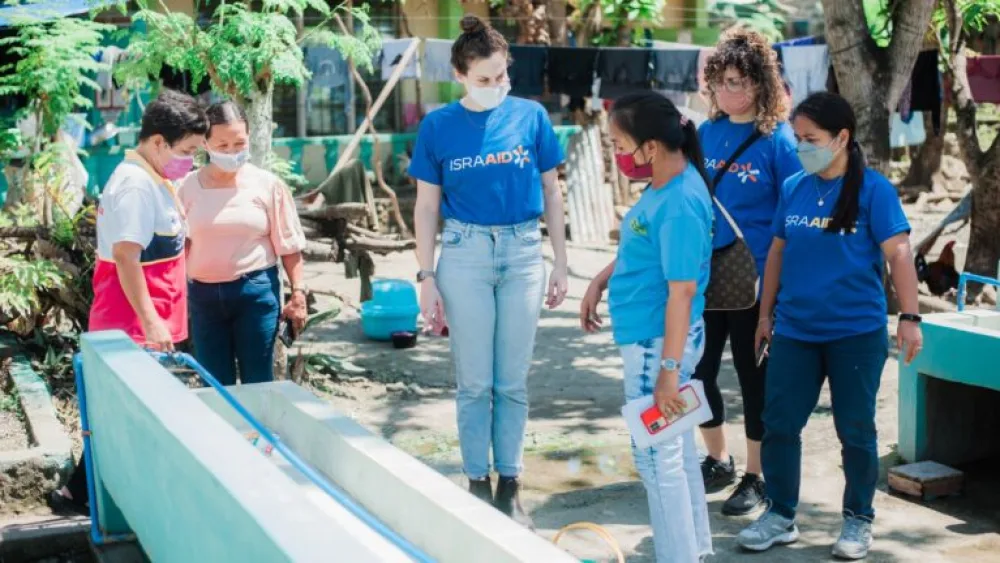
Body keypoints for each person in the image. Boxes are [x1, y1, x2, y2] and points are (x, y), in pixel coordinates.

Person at [737, 92, 923, 560]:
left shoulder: (874, 190)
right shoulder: (796, 186)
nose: (802, 147)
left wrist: (910, 316)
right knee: (779, 424)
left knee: (855, 430)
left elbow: (898, 253)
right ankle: (780, 514)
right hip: (796, 330)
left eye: (811, 139)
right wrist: (765, 314)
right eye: (797, 138)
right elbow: (778, 250)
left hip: (854, 334)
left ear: (842, 138)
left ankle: (858, 520)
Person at [409, 15, 568, 527]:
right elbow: (426, 207)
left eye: (502, 76)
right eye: (483, 79)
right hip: (464, 255)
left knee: (513, 382)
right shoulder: (437, 126)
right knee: (475, 382)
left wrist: (561, 263)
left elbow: (552, 191)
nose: (496, 87)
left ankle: (511, 484)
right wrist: (425, 276)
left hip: (524, 254)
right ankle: (477, 481)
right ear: (459, 75)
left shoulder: (532, 117)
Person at [49, 90, 210, 515]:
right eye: (187, 151)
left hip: (151, 316)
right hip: (133, 322)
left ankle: (80, 494)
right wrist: (152, 321)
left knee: (125, 410)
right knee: (126, 413)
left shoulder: (155, 178)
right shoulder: (136, 186)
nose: (190, 161)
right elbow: (125, 256)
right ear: (158, 142)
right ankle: (93, 496)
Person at [580, 92, 714, 563]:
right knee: (672, 453)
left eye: (620, 143)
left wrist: (668, 372)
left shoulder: (679, 201)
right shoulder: (666, 187)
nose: (618, 154)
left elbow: (681, 292)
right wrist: (602, 278)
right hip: (657, 340)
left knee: (657, 460)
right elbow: (647, 250)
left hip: (657, 345)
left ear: (650, 146)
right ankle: (693, 550)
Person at [693, 27, 802, 516]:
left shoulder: (779, 140)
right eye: (723, 82)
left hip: (757, 280)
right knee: (696, 371)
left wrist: (783, 289)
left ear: (762, 84)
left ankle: (756, 476)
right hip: (701, 277)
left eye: (741, 82)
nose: (731, 92)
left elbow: (794, 212)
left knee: (751, 376)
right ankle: (718, 458)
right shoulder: (703, 134)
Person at [178, 101, 308, 386]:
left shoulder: (268, 185)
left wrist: (298, 294)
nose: (232, 152)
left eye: (239, 143)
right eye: (222, 145)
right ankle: (224, 432)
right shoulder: (186, 187)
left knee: (258, 380)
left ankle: (258, 431)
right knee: (214, 384)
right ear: (205, 144)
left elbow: (289, 245)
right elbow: (179, 246)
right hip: (203, 297)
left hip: (255, 294)